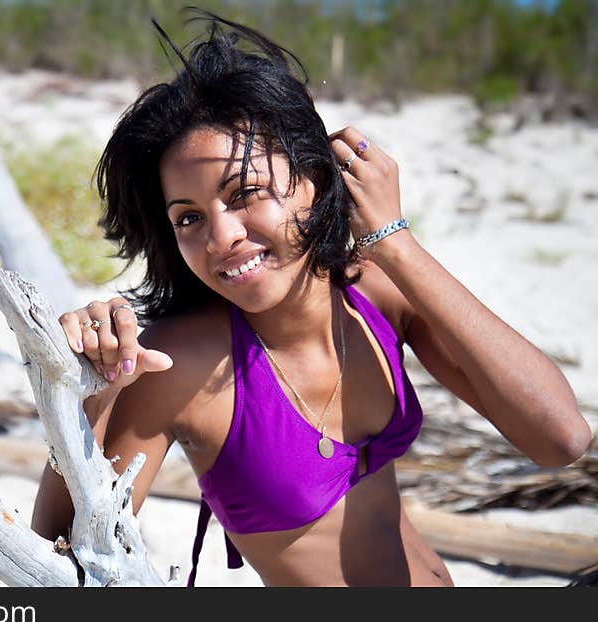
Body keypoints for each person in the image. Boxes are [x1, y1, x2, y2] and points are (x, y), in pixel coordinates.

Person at [30, 10, 591, 586]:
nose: (220, 237)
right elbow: (61, 561)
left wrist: (395, 242)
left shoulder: (375, 294)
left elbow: (560, 438)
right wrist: (87, 398)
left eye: (245, 193)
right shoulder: (176, 362)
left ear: (314, 177)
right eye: (189, 217)